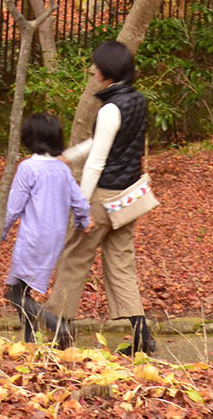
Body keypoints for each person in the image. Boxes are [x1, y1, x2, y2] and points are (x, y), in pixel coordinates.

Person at [46, 40, 156, 355]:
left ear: (107, 71)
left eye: (95, 65)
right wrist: (69, 156)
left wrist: (82, 206)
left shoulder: (110, 108)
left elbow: (98, 159)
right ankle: (142, 338)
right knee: (121, 263)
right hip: (129, 196)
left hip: (105, 195)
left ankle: (58, 330)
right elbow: (103, 142)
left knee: (74, 257)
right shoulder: (137, 100)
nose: (92, 70)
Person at [2, 111, 92, 341]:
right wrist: (83, 222)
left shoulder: (28, 168)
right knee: (23, 290)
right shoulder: (62, 169)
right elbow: (79, 202)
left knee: (14, 294)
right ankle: (30, 341)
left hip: (32, 238)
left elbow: (13, 207)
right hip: (55, 239)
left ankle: (55, 325)